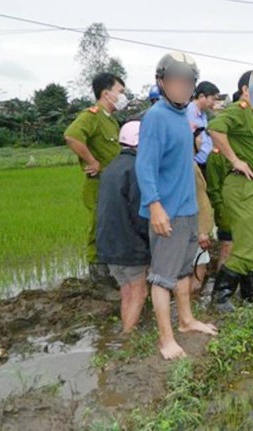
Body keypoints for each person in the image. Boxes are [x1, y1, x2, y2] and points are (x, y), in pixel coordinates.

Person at [136, 51, 218, 360]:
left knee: (184, 271)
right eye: (176, 81)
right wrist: (155, 206)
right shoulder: (156, 116)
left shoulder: (184, 115)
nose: (182, 87)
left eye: (188, 82)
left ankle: (185, 321)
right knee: (162, 276)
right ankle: (165, 338)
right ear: (161, 82)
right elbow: (144, 166)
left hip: (187, 208)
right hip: (167, 211)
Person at [208, 70, 253, 312]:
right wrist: (235, 160)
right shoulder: (239, 110)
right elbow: (215, 128)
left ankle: (249, 299)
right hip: (243, 186)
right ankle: (220, 298)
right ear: (245, 90)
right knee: (246, 247)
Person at [64, 72, 127, 285]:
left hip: (113, 185)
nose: (123, 96)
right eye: (120, 92)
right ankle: (99, 279)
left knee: (112, 228)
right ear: (106, 93)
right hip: (99, 184)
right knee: (99, 228)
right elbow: (72, 136)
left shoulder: (111, 121)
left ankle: (112, 274)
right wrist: (92, 161)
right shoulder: (93, 115)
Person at [96, 120, 149, 333]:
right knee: (139, 292)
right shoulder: (137, 169)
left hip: (108, 244)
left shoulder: (111, 167)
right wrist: (149, 241)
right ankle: (127, 338)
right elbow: (140, 212)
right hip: (129, 244)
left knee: (126, 291)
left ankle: (124, 333)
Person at [191, 128, 215, 293]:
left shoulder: (190, 163)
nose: (203, 142)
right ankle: (191, 306)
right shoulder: (188, 166)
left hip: (192, 226)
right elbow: (198, 199)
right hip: (194, 227)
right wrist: (202, 230)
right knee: (198, 265)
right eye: (200, 138)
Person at [186, 81, 220, 176]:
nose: (214, 104)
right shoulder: (189, 113)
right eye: (213, 99)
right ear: (201, 97)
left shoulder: (203, 114)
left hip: (205, 164)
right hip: (195, 165)